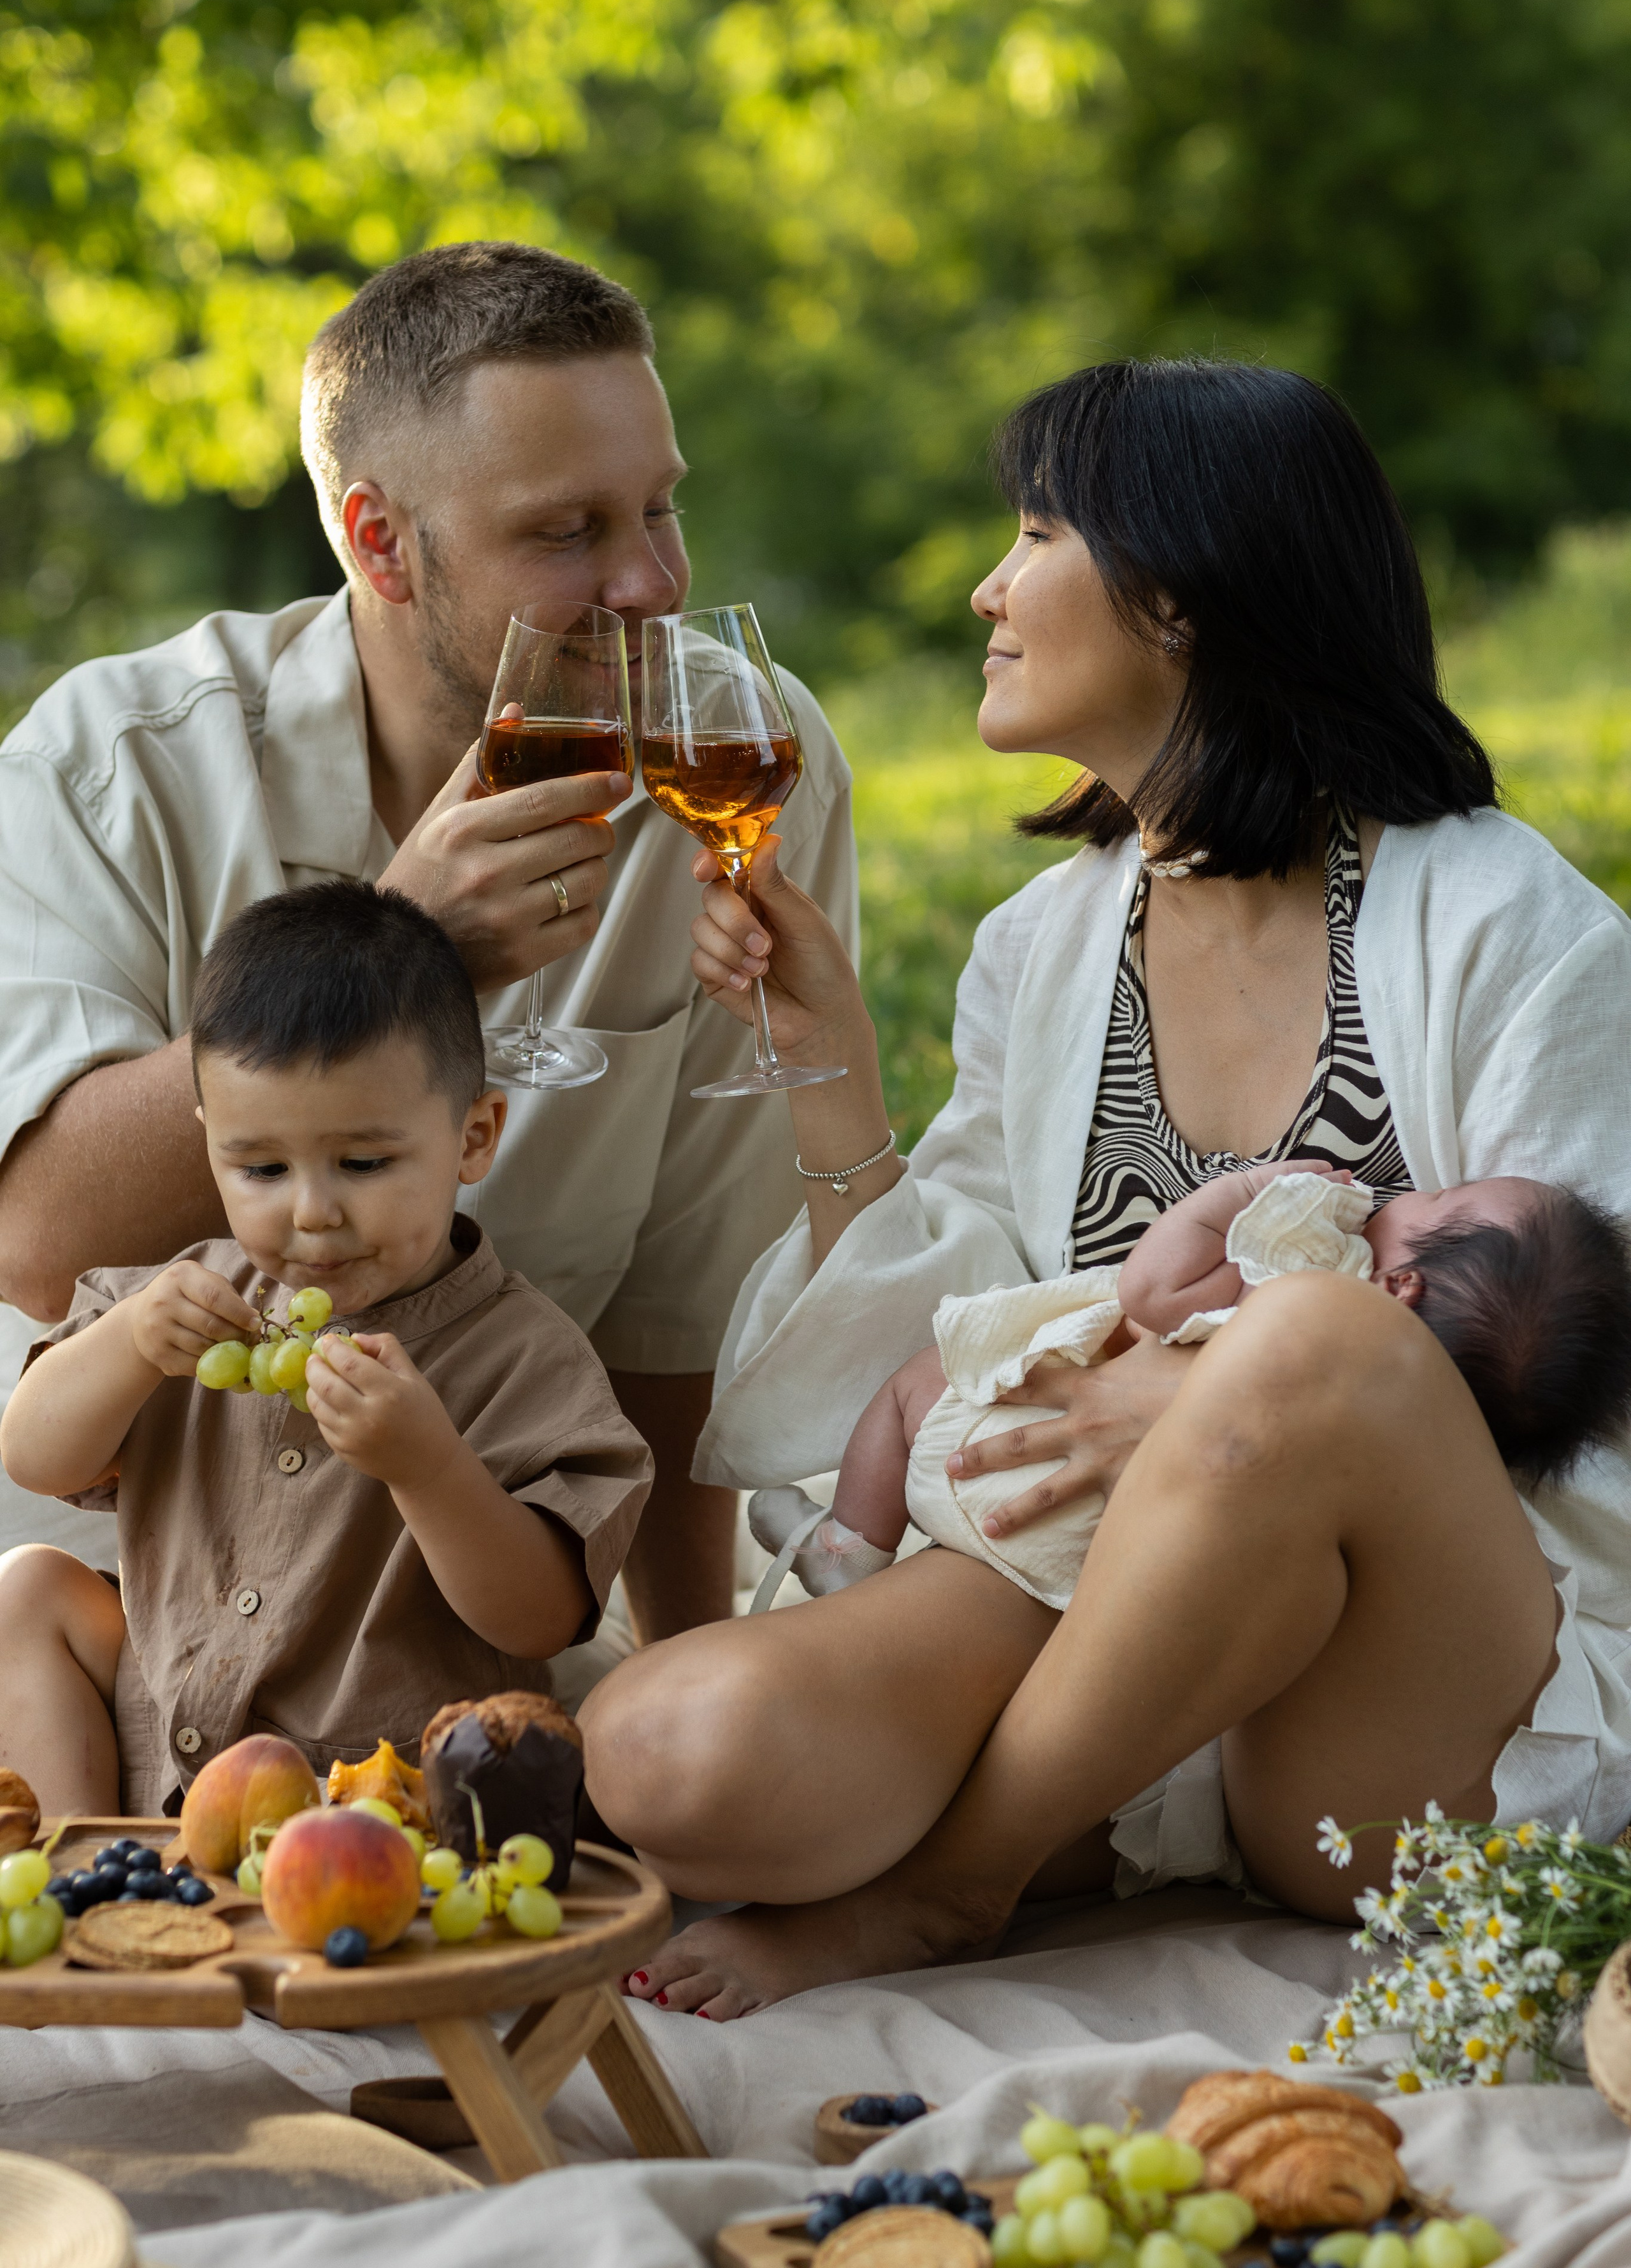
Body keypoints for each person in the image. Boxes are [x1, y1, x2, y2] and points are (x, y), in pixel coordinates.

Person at [578, 356, 1631, 2021]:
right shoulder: (1044, 945)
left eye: (1034, 534)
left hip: (1387, 1727)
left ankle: (948, 1887)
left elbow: (1587, 1374)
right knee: (669, 1750)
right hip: (1083, 1607)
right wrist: (836, 1070)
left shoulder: (1512, 928)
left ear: (1179, 599)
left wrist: (1231, 1418)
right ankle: (1080, 1806)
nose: (991, 590)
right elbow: (952, 1347)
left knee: (1316, 1346)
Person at [0, 241, 858, 1643]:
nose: (649, 583)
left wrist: (685, 1671)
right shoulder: (112, 766)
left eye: (658, 509)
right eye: (566, 531)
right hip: (100, 1604)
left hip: (466, 1614)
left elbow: (680, 1311)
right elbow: (36, 1239)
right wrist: (406, 949)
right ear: (380, 539)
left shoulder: (735, 751)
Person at [0, 879, 651, 1817]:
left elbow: (541, 1616)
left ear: (473, 1137)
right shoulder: (179, 1300)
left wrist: (427, 1467)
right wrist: (130, 1345)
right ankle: (87, 1867)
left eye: (364, 1163)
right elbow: (32, 1452)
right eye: (260, 1168)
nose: (312, 1212)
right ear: (210, 1147)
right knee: (30, 1588)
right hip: (162, 1751)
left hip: (366, 1798)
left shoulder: (521, 1356)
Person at [751, 1164, 1631, 1604]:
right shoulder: (1388, 1444)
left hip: (1020, 1457)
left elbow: (1150, 1291)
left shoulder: (1302, 1288)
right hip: (1097, 1575)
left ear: (1401, 1285)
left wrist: (1237, 1195)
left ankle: (851, 1544)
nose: (1410, 1188)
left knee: (918, 1384)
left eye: (1438, 1200)